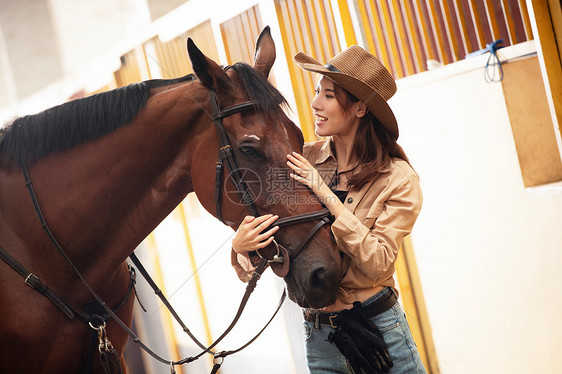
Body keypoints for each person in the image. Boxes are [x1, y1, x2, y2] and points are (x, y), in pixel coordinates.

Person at [231, 45, 426, 374]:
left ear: (360, 108)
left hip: (379, 331)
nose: (315, 103)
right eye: (317, 91)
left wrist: (326, 195)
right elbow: (273, 233)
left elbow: (378, 262)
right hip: (319, 336)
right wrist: (240, 245)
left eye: (329, 95)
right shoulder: (299, 159)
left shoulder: (398, 179)